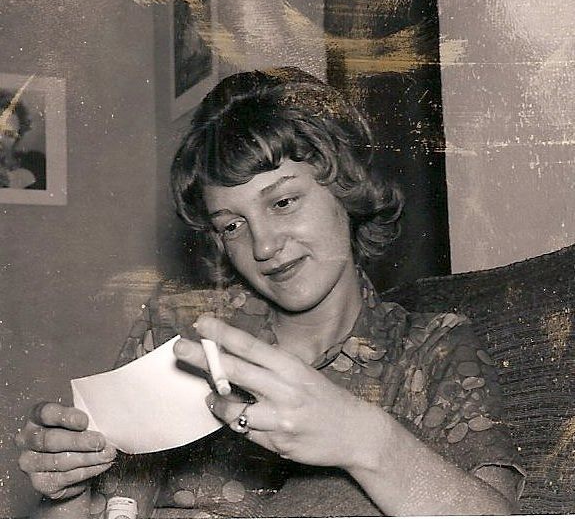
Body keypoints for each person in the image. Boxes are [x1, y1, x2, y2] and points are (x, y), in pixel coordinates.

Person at [15, 67, 525, 518]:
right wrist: (67, 494)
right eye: (232, 225)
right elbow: (112, 506)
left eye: (282, 202)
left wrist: (364, 438)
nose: (263, 246)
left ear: (347, 187)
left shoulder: (433, 350)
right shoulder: (179, 335)